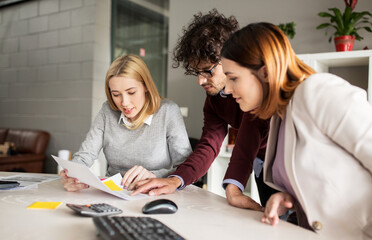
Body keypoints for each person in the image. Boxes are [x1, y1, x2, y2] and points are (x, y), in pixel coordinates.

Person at [221, 22, 372, 239]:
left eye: (233, 78)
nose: (227, 89)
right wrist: (288, 198)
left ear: (264, 72)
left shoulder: (316, 91)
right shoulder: (279, 117)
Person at [132, 9, 277, 211]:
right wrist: (176, 180)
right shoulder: (214, 100)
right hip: (262, 166)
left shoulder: (259, 90)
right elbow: (209, 145)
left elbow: (249, 135)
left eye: (207, 71)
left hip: (284, 162)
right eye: (196, 72)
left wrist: (234, 187)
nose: (200, 81)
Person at [60, 54, 192, 192]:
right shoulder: (107, 111)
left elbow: (186, 167)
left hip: (155, 193)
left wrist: (155, 176)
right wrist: (73, 174)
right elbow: (85, 155)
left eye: (131, 92)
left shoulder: (168, 111)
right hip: (114, 193)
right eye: (116, 94)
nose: (124, 103)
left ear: (146, 86)